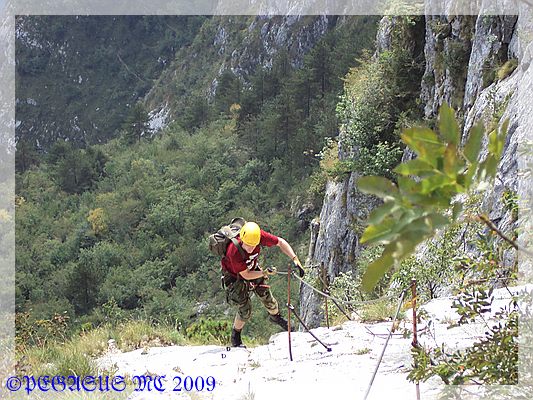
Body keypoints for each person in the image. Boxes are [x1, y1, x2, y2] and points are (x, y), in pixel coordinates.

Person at [221, 221, 304, 347]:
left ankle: (276, 317)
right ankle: (236, 336)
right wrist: (264, 272)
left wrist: (295, 259)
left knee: (267, 297)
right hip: (234, 276)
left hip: (252, 268)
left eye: (253, 245)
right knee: (245, 308)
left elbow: (280, 242)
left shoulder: (258, 236)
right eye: (248, 245)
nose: (251, 248)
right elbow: (246, 275)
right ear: (242, 240)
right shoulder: (234, 251)